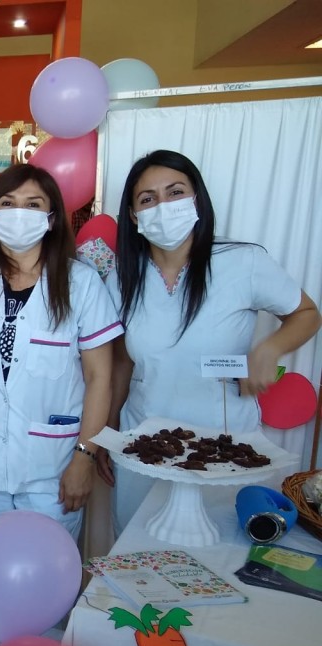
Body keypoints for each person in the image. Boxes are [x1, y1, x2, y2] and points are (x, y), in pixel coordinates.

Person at [97, 149, 321, 533]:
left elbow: (307, 313)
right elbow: (122, 361)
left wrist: (270, 348)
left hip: (225, 449)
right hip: (144, 446)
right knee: (143, 552)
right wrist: (111, 431)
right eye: (148, 199)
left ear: (196, 199)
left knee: (220, 553)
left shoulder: (243, 262)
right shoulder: (123, 277)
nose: (163, 206)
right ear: (133, 215)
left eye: (175, 192)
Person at [0, 164, 122, 541]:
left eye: (33, 204)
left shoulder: (81, 285)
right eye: (8, 203)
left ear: (51, 219)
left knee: (51, 566)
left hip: (54, 471)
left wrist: (85, 456)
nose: (19, 213)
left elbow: (100, 377)